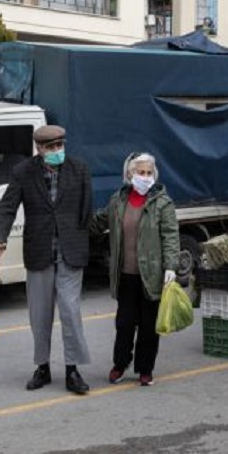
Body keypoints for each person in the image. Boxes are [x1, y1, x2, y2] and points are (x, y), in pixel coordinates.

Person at [0, 125, 93, 395]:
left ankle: (72, 370)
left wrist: (78, 236)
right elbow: (7, 207)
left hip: (70, 251)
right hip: (39, 252)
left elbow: (86, 210)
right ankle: (43, 367)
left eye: (60, 145)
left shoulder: (79, 169)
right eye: (51, 147)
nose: (57, 151)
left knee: (70, 312)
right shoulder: (23, 172)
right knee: (40, 315)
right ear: (39, 149)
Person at [91, 152, 180, 387]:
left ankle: (145, 369)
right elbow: (99, 222)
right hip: (125, 275)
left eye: (149, 172)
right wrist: (73, 220)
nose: (145, 177)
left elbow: (171, 237)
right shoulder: (118, 201)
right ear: (130, 174)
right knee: (124, 324)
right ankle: (120, 365)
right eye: (141, 172)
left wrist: (171, 266)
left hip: (151, 275)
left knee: (149, 327)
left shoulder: (163, 203)